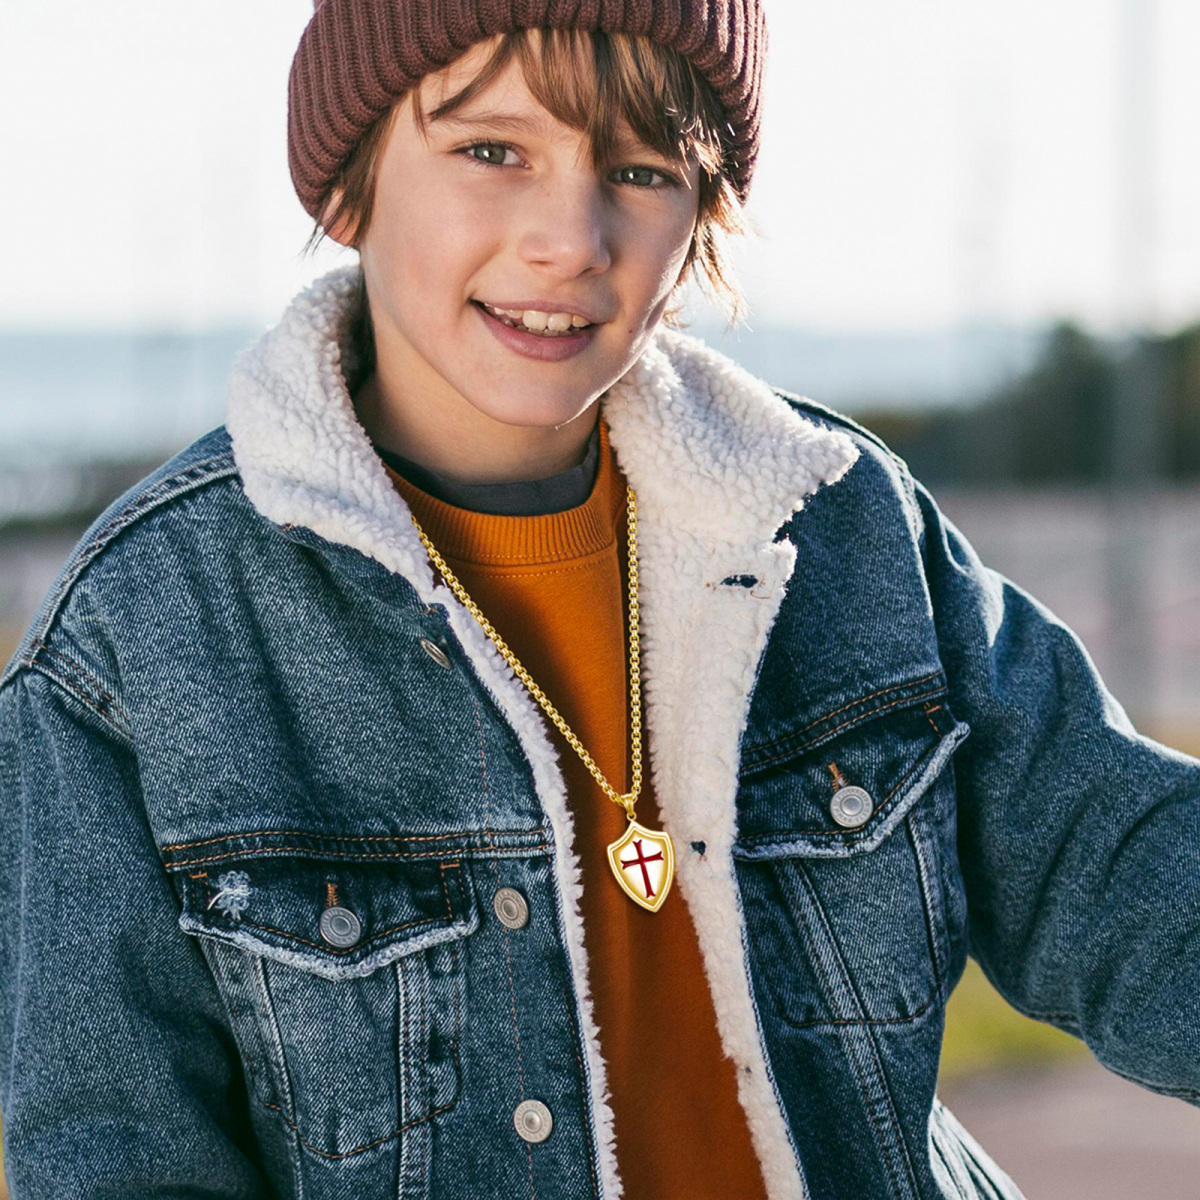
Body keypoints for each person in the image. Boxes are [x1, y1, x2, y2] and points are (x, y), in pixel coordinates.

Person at [0, 3, 1196, 1198]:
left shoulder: (842, 526)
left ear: (702, 215)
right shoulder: (138, 644)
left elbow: (1130, 881)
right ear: (346, 187)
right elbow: (116, 1158)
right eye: (491, 152)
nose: (572, 237)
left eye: (640, 169)